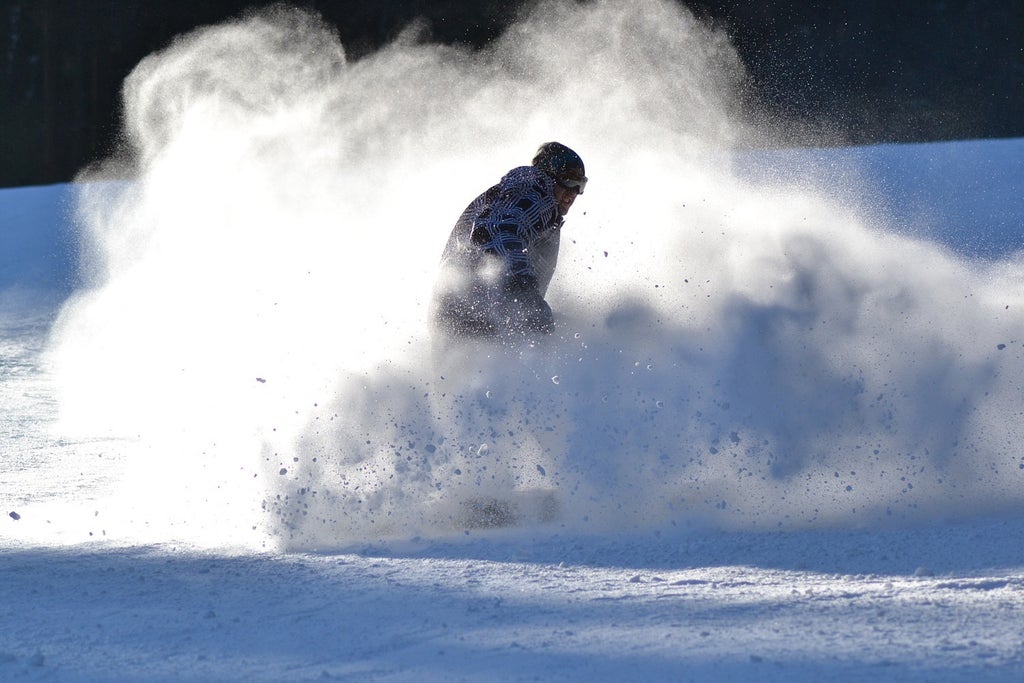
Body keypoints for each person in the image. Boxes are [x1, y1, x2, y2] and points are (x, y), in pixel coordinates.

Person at [431, 142, 587, 341]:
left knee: (569, 334)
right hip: (475, 311)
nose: (574, 192)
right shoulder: (535, 190)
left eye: (580, 185)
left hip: (460, 314)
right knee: (570, 340)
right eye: (569, 181)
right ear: (550, 174)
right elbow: (499, 227)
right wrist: (523, 288)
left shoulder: (520, 194)